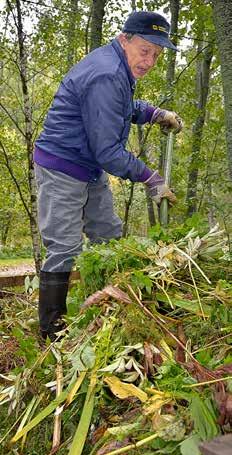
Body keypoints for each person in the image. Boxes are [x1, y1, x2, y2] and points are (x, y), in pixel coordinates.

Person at [34, 10, 183, 340]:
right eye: (145, 51)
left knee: (110, 236)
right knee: (64, 245)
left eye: (157, 55)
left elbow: (121, 106)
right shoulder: (106, 72)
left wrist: (153, 113)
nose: (149, 61)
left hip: (87, 166)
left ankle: (117, 306)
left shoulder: (118, 68)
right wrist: (151, 178)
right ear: (124, 39)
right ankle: (51, 333)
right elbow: (108, 151)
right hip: (62, 165)